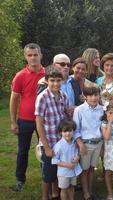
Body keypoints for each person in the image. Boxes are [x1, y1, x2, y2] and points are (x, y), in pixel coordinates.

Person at [9, 43, 45, 192]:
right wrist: (13, 121)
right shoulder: (20, 75)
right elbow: (14, 99)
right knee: (23, 150)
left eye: (35, 54)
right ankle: (20, 179)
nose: (33, 58)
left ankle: (47, 178)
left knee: (44, 149)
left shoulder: (47, 74)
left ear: (40, 55)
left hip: (43, 120)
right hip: (24, 120)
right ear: (25, 56)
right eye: (29, 55)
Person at [35, 65, 69, 200]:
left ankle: (55, 194)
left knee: (57, 171)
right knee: (47, 174)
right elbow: (39, 124)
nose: (55, 83)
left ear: (62, 81)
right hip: (48, 142)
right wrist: (47, 147)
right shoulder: (42, 98)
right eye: (52, 80)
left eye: (58, 80)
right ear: (47, 81)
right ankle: (45, 196)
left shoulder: (64, 96)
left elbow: (65, 114)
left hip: (61, 141)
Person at [73, 85, 104, 200]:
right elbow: (75, 130)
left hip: (98, 143)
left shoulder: (101, 109)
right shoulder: (79, 110)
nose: (93, 98)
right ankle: (86, 194)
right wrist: (80, 144)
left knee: (92, 169)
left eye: (96, 95)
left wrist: (102, 145)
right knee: (84, 170)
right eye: (90, 95)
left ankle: (90, 191)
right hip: (86, 144)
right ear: (85, 96)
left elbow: (102, 127)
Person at [52, 119, 82, 200]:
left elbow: (77, 153)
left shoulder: (74, 143)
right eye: (65, 131)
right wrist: (67, 165)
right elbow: (54, 160)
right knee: (64, 189)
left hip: (73, 171)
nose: (68, 133)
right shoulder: (58, 146)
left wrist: (77, 157)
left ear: (73, 131)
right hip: (63, 173)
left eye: (70, 131)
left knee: (72, 188)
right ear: (61, 133)